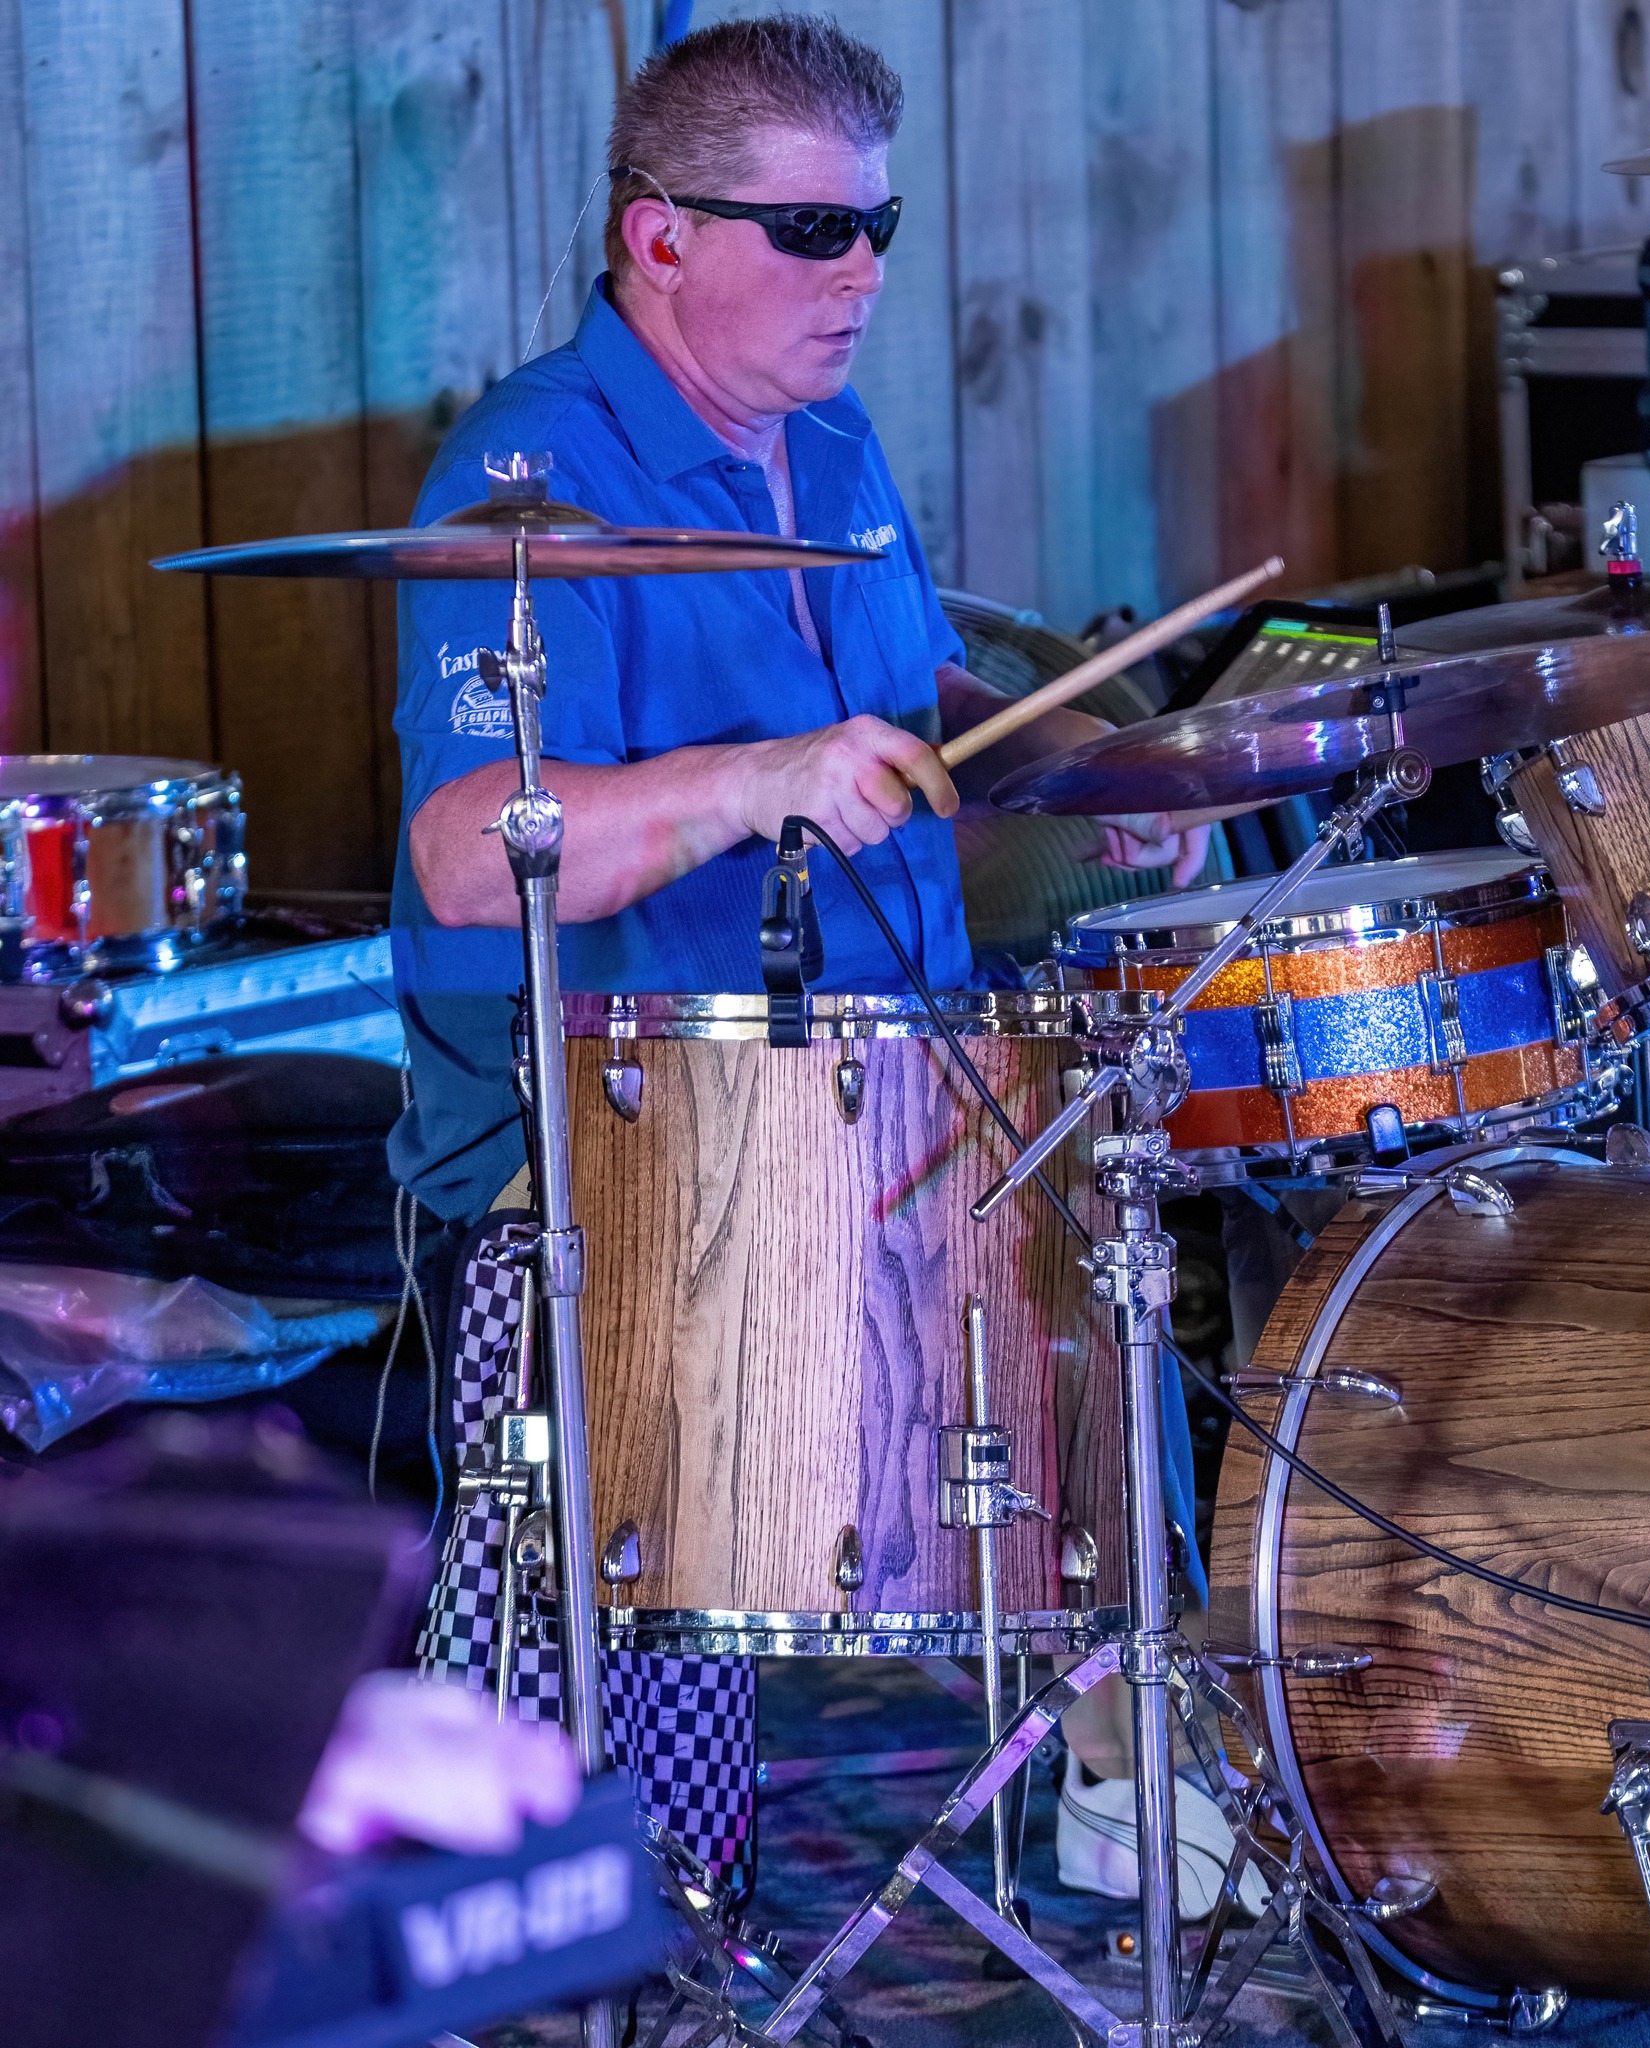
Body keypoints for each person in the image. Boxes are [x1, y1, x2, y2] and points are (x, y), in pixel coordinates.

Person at [389, 14, 1219, 1913]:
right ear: (658, 234)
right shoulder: (536, 475)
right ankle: (559, 1893)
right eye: (810, 233)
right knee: (630, 1686)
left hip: (881, 1065)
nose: (859, 277)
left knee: (1089, 1238)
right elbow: (464, 854)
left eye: (878, 227)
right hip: (620, 1128)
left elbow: (896, 705)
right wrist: (763, 781)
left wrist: (1077, 769)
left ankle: (1135, 1762)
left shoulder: (829, 444)